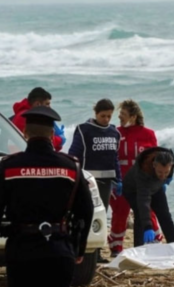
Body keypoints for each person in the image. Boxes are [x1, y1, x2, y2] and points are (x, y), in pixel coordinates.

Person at [0, 106, 94, 287]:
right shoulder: (72, 167)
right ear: (51, 136)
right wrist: (79, 248)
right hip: (59, 251)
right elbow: (86, 210)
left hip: (21, 252)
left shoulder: (9, 167)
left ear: (24, 133)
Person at [68, 98, 122, 263]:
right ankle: (79, 251)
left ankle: (96, 253)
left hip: (106, 182)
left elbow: (115, 159)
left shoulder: (115, 133)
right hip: (88, 181)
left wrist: (119, 179)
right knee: (84, 216)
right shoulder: (84, 130)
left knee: (101, 215)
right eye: (103, 116)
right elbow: (74, 154)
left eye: (109, 116)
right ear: (96, 113)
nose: (106, 119)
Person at [108, 99, 164, 257]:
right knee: (120, 214)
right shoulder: (115, 133)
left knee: (148, 211)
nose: (120, 117)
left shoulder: (148, 134)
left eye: (123, 115)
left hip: (143, 182)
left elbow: (156, 159)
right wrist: (113, 180)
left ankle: (155, 243)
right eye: (119, 115)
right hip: (120, 181)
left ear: (133, 117)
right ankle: (116, 248)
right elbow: (109, 157)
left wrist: (159, 181)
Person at [122, 146, 174, 247]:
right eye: (160, 172)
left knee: (165, 215)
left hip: (156, 187)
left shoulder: (170, 160)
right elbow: (144, 202)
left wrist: (168, 177)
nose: (163, 176)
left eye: (166, 172)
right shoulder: (143, 172)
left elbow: (168, 171)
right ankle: (139, 248)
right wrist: (148, 227)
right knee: (140, 215)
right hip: (133, 190)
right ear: (154, 165)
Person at [11, 87, 66, 151]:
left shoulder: (23, 114)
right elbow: (41, 141)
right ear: (38, 104)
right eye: (47, 104)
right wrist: (60, 139)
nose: (49, 107)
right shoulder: (27, 117)